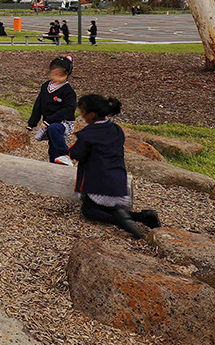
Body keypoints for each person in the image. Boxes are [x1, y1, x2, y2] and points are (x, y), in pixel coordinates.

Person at [69, 94, 161, 238]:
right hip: (118, 181)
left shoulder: (88, 133)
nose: (81, 116)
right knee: (106, 207)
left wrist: (67, 149)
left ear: (92, 114)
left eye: (82, 112)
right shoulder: (117, 130)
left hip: (97, 182)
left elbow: (77, 153)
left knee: (88, 210)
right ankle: (143, 216)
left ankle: (120, 221)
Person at [28, 56, 77, 166]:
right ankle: (54, 164)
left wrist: (48, 121)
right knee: (52, 143)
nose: (57, 77)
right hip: (48, 123)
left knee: (55, 128)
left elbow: (68, 109)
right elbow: (38, 106)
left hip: (63, 122)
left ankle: (65, 155)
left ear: (67, 75)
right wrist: (31, 123)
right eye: (54, 73)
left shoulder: (68, 91)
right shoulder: (45, 86)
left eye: (61, 75)